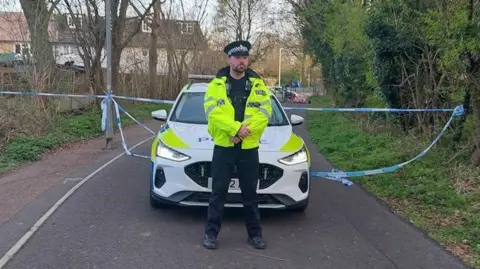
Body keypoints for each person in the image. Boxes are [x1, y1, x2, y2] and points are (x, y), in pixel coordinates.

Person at [202, 40, 272, 250]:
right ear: (229, 59)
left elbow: (264, 114)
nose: (242, 61)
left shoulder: (259, 85)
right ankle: (211, 234)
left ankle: (255, 235)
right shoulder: (216, 85)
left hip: (248, 148)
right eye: (238, 57)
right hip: (224, 146)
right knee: (218, 192)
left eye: (245, 57)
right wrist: (234, 129)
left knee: (250, 193)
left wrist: (241, 133)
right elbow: (213, 114)